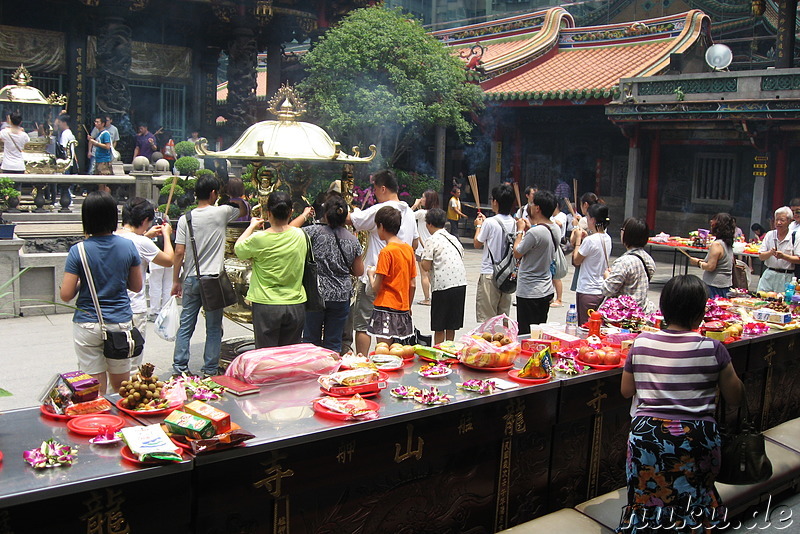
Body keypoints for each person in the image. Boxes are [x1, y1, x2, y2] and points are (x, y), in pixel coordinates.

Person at [619, 274, 744, 532]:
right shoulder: (713, 349)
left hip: (648, 439)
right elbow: (735, 398)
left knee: (647, 500)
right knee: (695, 498)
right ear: (700, 314)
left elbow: (626, 390)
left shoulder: (641, 343)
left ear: (664, 309)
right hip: (696, 439)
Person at [59, 191, 142, 394]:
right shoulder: (128, 246)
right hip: (119, 324)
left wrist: (84, 283)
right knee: (122, 389)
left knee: (94, 392)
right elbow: (136, 286)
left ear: (86, 218)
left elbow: (66, 294)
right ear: (114, 217)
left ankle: (99, 424)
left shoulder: (77, 251)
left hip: (87, 324)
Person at [172, 175, 247, 376]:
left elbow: (179, 252)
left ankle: (179, 369)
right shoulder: (221, 212)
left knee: (186, 325)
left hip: (190, 278)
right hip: (212, 279)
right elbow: (243, 209)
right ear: (214, 193)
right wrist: (232, 195)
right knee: (213, 327)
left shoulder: (184, 219)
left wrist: (175, 280)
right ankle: (210, 369)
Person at [347, 169, 418, 355]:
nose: (375, 194)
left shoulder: (381, 211)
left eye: (376, 190)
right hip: (399, 283)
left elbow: (351, 220)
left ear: (383, 188)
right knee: (388, 329)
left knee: (363, 324)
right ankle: (387, 362)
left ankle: (364, 359)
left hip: (377, 279)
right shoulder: (410, 212)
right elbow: (416, 242)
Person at [235, 191, 307, 349]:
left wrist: (251, 226)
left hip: (266, 305)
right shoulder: (301, 235)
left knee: (266, 357)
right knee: (289, 356)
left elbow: (238, 248)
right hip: (295, 304)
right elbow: (290, 230)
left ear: (268, 213)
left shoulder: (258, 239)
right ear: (291, 212)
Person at [297, 194, 364, 353]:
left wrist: (304, 215)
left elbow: (290, 231)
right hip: (341, 296)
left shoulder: (313, 232)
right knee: (334, 341)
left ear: (325, 214)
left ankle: (311, 372)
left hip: (316, 294)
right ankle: (331, 373)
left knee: (311, 340)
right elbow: (359, 271)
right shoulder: (353, 240)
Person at [116, 198, 174, 368]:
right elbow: (169, 260)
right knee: (132, 361)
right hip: (134, 307)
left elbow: (132, 240)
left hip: (113, 307)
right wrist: (166, 235)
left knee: (114, 358)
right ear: (143, 221)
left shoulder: (113, 236)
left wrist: (146, 235)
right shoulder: (142, 242)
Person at [512, 190, 560, 334]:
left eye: (533, 204)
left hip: (529, 290)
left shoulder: (536, 232)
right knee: (538, 332)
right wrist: (529, 229)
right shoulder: (555, 228)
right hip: (545, 287)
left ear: (538, 208)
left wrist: (520, 231)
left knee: (526, 333)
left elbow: (517, 252)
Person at [366, 206, 417, 344]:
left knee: (383, 352)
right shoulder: (408, 249)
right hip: (403, 308)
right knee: (399, 352)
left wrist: (371, 274)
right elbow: (412, 284)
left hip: (385, 307)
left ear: (381, 226)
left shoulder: (386, 252)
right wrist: (409, 306)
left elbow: (376, 287)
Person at [421, 208, 467, 344]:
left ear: (429, 224)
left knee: (439, 326)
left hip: (443, 286)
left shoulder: (432, 239)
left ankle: (439, 354)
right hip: (460, 283)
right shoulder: (453, 238)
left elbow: (426, 265)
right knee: (452, 325)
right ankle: (450, 351)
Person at [473, 183, 516, 323]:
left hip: (490, 273)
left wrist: (479, 225)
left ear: (495, 202)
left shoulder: (490, 223)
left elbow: (477, 243)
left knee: (487, 320)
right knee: (503, 318)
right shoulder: (515, 223)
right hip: (507, 274)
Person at [601, 217, 656, 313]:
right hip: (641, 313)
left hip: (622, 315)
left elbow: (607, 290)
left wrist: (607, 276)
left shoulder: (623, 262)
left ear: (627, 234)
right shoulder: (649, 260)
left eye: (622, 230)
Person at [572, 203, 612, 325]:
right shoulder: (607, 238)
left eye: (588, 218)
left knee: (585, 326)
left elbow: (576, 260)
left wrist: (578, 239)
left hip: (587, 289)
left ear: (593, 220)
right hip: (600, 289)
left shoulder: (590, 240)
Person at [688, 212, 735, 298]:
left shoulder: (716, 244)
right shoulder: (727, 243)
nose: (711, 222)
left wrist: (697, 263)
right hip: (726, 284)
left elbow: (710, 267)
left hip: (714, 285)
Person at [757, 206, 800, 293]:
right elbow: (761, 256)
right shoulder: (769, 235)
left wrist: (783, 256)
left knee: (782, 303)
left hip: (786, 276)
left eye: (782, 220)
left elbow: (798, 259)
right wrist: (770, 253)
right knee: (761, 301)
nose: (778, 223)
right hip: (769, 274)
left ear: (789, 221)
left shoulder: (795, 236)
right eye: (776, 220)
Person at [412, 189, 440, 306]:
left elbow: (406, 215)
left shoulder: (422, 213)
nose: (421, 199)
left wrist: (415, 204)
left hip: (422, 249)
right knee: (432, 274)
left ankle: (427, 298)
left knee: (424, 273)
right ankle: (435, 296)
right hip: (435, 246)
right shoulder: (436, 213)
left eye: (423, 197)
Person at [569, 192, 600, 291]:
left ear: (585, 205)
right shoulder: (600, 222)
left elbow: (572, 240)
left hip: (583, 255)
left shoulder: (583, 221)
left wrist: (575, 226)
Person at [87, 116, 112, 193]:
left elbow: (107, 146)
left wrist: (96, 143)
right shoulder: (99, 133)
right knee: (99, 182)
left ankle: (104, 198)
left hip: (104, 161)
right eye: (95, 122)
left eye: (98, 122)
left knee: (103, 182)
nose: (96, 123)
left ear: (103, 124)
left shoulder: (105, 134)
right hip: (98, 159)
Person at [550, 202, 568, 308]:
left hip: (558, 245)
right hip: (551, 247)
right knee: (550, 275)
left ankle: (559, 298)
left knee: (556, 275)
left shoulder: (561, 216)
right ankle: (550, 297)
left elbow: (560, 224)